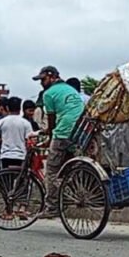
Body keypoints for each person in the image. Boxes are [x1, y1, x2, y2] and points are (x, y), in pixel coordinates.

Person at [34, 66, 85, 217]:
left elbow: (51, 120)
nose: (41, 83)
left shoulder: (48, 94)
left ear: (51, 77)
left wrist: (49, 136)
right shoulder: (70, 89)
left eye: (43, 79)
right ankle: (69, 189)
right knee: (68, 164)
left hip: (64, 132)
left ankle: (52, 207)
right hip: (80, 131)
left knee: (51, 170)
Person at [0, 96, 33, 168]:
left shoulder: (2, 122)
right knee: (19, 177)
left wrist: (1, 140)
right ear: (20, 109)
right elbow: (30, 140)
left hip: (6, 155)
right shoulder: (26, 123)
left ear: (7, 108)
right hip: (20, 156)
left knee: (6, 177)